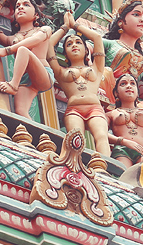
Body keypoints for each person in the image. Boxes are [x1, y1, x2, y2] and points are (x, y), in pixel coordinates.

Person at [47, 14, 113, 157]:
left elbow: (97, 38)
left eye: (78, 42)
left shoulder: (97, 67)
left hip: (94, 108)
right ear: (65, 55)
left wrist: (76, 25)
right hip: (74, 110)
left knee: (102, 135)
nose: (74, 45)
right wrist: (65, 27)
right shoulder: (61, 72)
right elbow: (49, 44)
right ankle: (74, 166)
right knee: (75, 138)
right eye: (69, 44)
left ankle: (104, 166)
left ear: (86, 50)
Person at [0, 0, 53, 118]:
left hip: (42, 74)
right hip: (25, 79)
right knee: (20, 112)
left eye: (26, 5)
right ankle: (29, 136)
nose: (20, 7)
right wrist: (1, 1)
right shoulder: (12, 39)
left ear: (36, 15)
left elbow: (36, 40)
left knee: (23, 49)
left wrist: (6, 51)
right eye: (17, 6)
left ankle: (13, 85)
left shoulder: (44, 30)